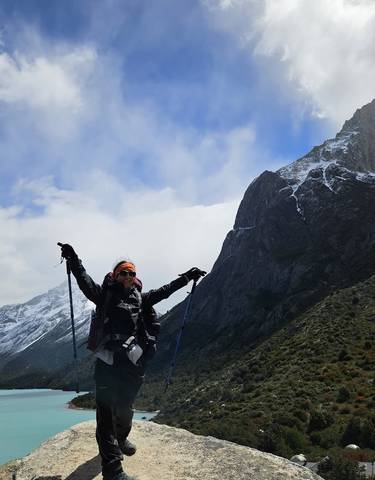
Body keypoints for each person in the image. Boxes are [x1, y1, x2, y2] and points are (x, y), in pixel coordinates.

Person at [59, 243, 205, 480]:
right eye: (123, 272)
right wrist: (73, 258)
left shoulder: (141, 298)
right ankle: (113, 471)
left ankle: (122, 436)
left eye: (132, 273)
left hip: (131, 363)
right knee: (105, 417)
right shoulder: (102, 295)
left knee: (125, 408)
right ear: (115, 276)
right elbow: (83, 279)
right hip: (107, 362)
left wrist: (188, 277)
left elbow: (165, 290)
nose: (128, 276)